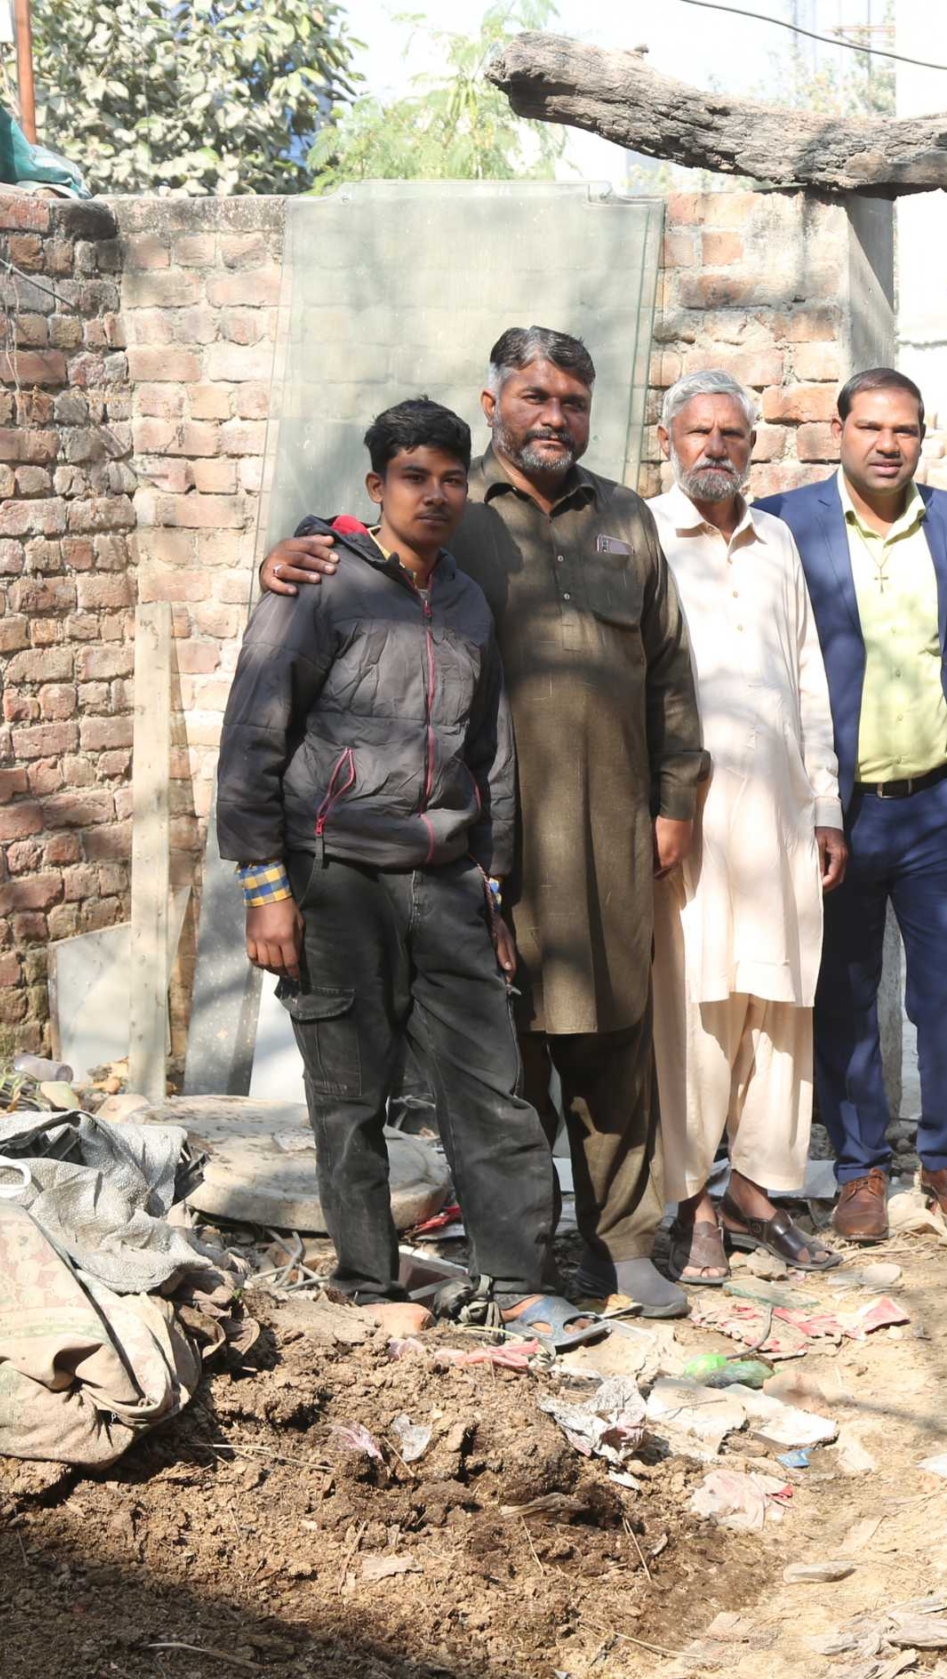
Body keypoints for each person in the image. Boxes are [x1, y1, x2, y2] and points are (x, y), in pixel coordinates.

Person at [256, 328, 706, 1320]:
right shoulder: (458, 515)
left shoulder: (625, 519)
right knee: (505, 1062)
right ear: (494, 400)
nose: (556, 418)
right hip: (479, 845)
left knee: (615, 1044)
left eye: (575, 402)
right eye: (536, 398)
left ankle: (624, 1246)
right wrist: (282, 549)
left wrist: (676, 799)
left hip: (609, 835)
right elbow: (351, 547)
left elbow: (670, 671)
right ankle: (519, 1258)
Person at [217, 397, 599, 1348]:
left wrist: (495, 887)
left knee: (494, 1090)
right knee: (349, 1095)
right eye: (413, 477)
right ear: (375, 486)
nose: (435, 494)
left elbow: (492, 754)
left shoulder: (467, 598)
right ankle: (367, 1282)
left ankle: (518, 1282)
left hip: (449, 878)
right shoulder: (318, 585)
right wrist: (266, 891)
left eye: (449, 478)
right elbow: (251, 740)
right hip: (337, 878)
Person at [755, 370, 947, 1246]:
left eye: (905, 429)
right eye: (871, 427)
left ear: (922, 436)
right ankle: (859, 1168)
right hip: (840, 811)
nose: (887, 443)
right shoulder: (785, 523)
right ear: (839, 429)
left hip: (942, 801)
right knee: (845, 992)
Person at [646, 371, 847, 1283]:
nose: (716, 447)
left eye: (732, 432)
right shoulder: (643, 537)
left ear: (752, 444)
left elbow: (807, 677)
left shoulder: (776, 543)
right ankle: (688, 1201)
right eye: (700, 432)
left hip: (779, 810)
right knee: (693, 1007)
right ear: (669, 440)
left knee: (779, 1007)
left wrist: (826, 805)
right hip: (687, 818)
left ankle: (758, 1192)